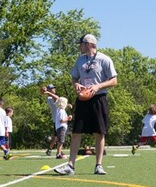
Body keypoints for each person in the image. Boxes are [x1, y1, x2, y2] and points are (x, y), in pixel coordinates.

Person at [55, 34, 117, 176]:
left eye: (81, 43)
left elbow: (114, 81)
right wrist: (76, 84)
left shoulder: (105, 59)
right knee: (77, 132)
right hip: (83, 100)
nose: (79, 46)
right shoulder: (80, 60)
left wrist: (98, 86)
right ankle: (70, 166)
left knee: (99, 132)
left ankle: (99, 165)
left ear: (89, 44)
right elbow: (74, 77)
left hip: (99, 98)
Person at [41, 84, 60, 155]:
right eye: (52, 88)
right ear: (48, 90)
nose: (54, 89)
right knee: (58, 136)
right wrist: (48, 93)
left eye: (54, 88)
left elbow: (60, 102)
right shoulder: (49, 98)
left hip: (59, 119)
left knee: (57, 136)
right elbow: (57, 99)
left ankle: (50, 149)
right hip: (56, 120)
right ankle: (52, 150)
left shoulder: (52, 96)